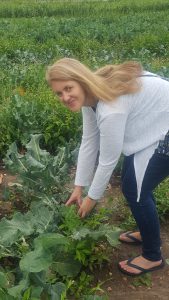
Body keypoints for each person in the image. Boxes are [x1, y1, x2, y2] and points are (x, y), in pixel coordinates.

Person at [46, 57, 169, 276]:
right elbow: (89, 141)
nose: (65, 97)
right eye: (58, 93)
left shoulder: (111, 108)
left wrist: (91, 199)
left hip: (164, 130)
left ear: (81, 81)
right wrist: (78, 187)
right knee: (133, 185)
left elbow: (108, 161)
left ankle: (152, 256)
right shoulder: (90, 96)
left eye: (68, 88)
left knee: (136, 190)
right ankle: (147, 230)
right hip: (152, 124)